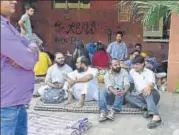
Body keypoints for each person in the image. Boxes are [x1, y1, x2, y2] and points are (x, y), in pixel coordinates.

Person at [1, 1, 39, 135]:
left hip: (16, 103)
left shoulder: (7, 26)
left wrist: (30, 49)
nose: (14, 1)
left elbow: (32, 43)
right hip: (6, 106)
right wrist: (28, 53)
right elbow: (29, 61)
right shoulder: (2, 30)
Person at [125, 55, 162, 129]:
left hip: (153, 95)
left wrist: (148, 87)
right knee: (127, 96)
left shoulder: (149, 72)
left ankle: (156, 116)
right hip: (141, 95)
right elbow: (130, 83)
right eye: (134, 64)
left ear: (142, 64)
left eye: (137, 64)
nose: (135, 66)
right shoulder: (132, 72)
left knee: (146, 91)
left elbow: (151, 84)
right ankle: (145, 107)